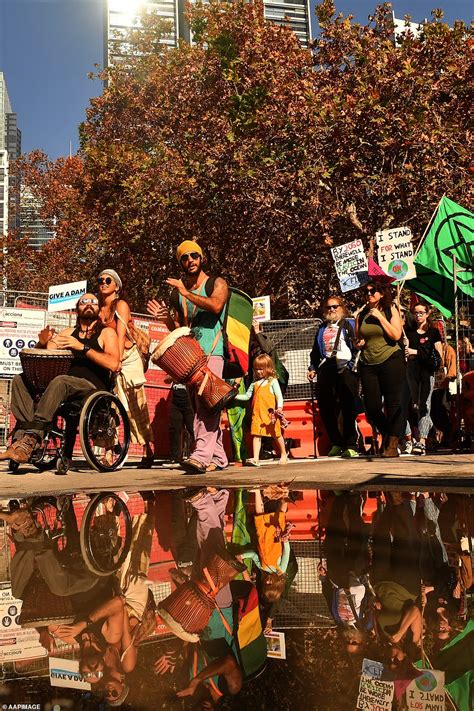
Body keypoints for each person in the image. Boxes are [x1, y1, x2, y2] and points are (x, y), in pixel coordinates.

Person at [0, 294, 120, 464]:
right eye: (84, 302)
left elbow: (114, 364)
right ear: (77, 309)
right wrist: (41, 343)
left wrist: (82, 347)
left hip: (92, 388)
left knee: (61, 381)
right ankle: (22, 441)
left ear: (99, 310)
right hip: (65, 386)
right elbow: (46, 352)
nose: (88, 304)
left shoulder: (107, 333)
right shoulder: (68, 333)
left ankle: (32, 437)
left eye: (93, 302)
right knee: (20, 379)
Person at [147, 240, 229, 474]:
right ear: (180, 262)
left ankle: (200, 455)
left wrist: (186, 293)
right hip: (190, 355)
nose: (190, 260)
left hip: (213, 352)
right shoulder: (177, 295)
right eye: (184, 257)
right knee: (203, 406)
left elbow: (215, 306)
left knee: (208, 405)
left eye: (194, 255)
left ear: (201, 258)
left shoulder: (217, 283)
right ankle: (219, 457)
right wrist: (165, 319)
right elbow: (181, 328)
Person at [98, 268, 154, 465]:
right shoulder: (97, 308)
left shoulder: (120, 305)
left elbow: (121, 335)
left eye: (108, 280)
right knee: (108, 404)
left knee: (135, 403)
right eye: (100, 280)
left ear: (116, 287)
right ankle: (108, 451)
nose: (103, 283)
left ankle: (147, 448)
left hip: (128, 357)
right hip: (109, 359)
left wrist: (118, 361)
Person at [355, 281, 404, 458]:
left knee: (393, 404)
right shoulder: (361, 314)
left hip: (390, 360)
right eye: (366, 291)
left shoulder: (390, 309)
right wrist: (358, 343)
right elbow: (359, 338)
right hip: (369, 363)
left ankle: (392, 444)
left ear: (382, 293)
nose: (369, 294)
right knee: (372, 407)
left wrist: (380, 317)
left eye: (373, 291)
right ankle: (390, 434)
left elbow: (396, 335)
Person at [307, 296, 359, 458]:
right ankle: (336, 442)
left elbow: (357, 347)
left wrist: (351, 367)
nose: (332, 310)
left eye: (335, 307)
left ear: (342, 308)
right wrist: (312, 367)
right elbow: (315, 351)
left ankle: (351, 444)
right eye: (329, 307)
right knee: (326, 407)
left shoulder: (349, 325)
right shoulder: (322, 328)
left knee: (348, 407)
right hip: (326, 368)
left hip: (345, 368)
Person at [234, 353, 287, 467]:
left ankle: (283, 453)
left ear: (268, 368)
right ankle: (256, 458)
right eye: (256, 369)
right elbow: (247, 396)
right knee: (256, 435)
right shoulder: (254, 384)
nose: (258, 372)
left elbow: (279, 397)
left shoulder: (272, 381)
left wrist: (279, 408)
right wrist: (235, 396)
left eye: (261, 369)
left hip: (270, 415)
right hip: (257, 415)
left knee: (277, 435)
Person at [404, 303, 443, 455]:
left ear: (427, 314)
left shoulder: (433, 332)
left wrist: (416, 352)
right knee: (417, 405)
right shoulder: (408, 332)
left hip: (427, 372)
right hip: (412, 371)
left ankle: (422, 442)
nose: (418, 315)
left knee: (424, 405)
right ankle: (435, 431)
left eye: (421, 312)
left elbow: (438, 354)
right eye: (415, 312)